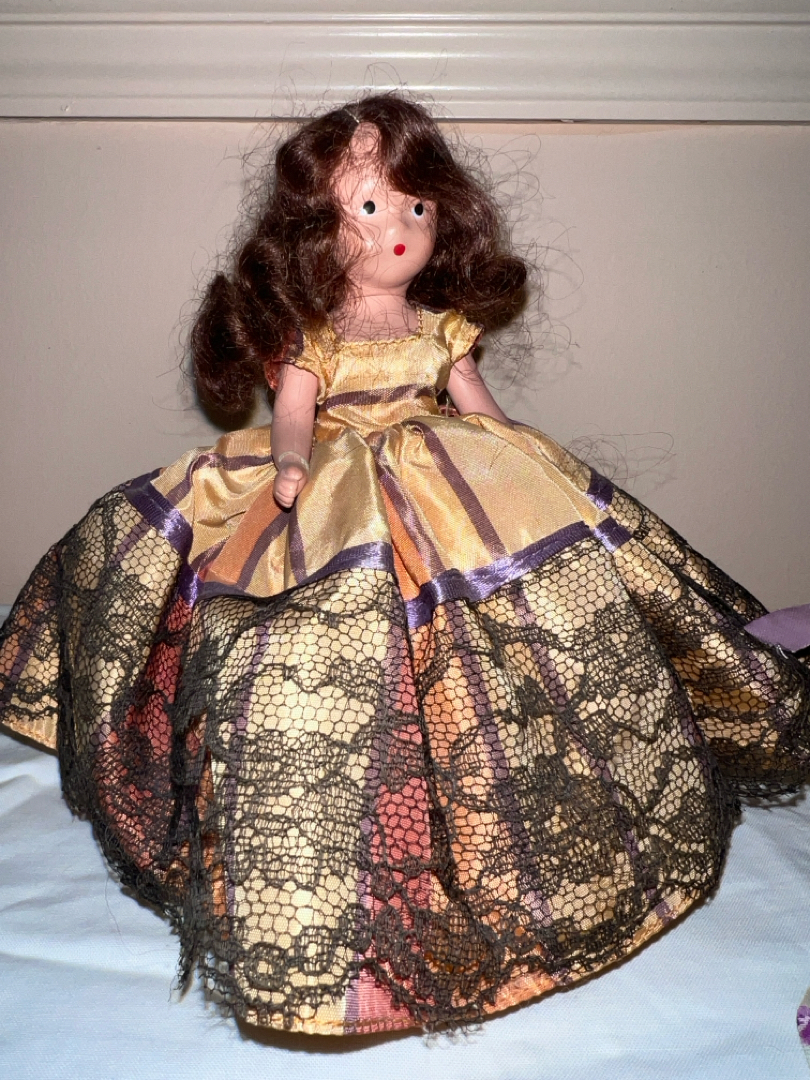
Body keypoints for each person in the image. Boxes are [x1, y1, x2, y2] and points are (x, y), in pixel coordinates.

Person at [1, 93, 808, 1037]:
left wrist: (528, 459)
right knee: (322, 646)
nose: (401, 226)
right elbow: (294, 416)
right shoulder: (312, 336)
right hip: (337, 495)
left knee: (507, 636)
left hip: (453, 491)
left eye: (417, 205)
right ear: (315, 228)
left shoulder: (440, 327)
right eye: (370, 206)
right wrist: (290, 465)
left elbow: (483, 412)